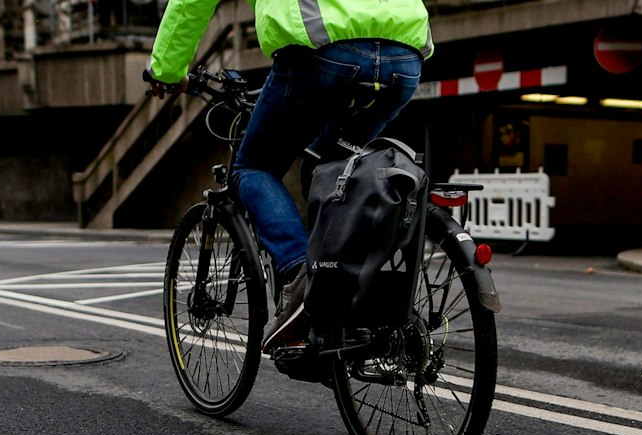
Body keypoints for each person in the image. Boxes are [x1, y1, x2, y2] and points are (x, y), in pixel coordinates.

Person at [145, 0, 431, 351]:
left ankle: (300, 276)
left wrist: (167, 70)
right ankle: (344, 291)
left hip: (322, 50)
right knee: (331, 170)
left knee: (254, 166)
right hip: (404, 55)